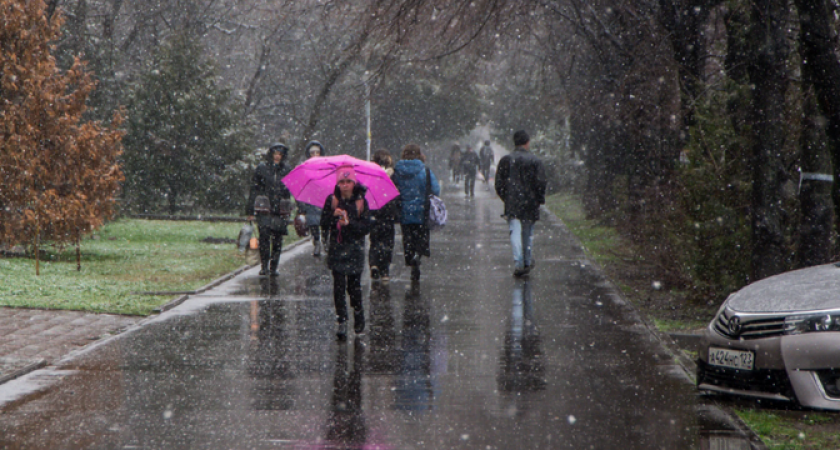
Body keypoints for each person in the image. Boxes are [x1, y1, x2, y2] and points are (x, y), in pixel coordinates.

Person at [321, 165, 371, 340]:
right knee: (339, 287)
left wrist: (350, 225)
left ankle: (359, 318)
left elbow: (365, 228)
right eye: (341, 181)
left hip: (355, 251)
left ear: (354, 182)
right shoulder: (332, 200)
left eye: (348, 181)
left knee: (354, 287)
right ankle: (341, 319)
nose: (345, 185)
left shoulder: (361, 202)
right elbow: (323, 224)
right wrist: (333, 216)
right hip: (337, 250)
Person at [495, 130, 546, 277]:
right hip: (530, 203)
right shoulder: (535, 161)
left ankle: (518, 262)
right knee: (527, 233)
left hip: (513, 203)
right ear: (527, 142)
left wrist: (507, 197)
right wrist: (538, 198)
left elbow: (499, 184)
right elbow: (541, 182)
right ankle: (527, 260)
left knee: (515, 232)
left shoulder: (506, 160)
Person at [392, 144, 440, 281]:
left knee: (408, 237)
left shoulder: (398, 170)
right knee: (421, 236)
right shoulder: (425, 171)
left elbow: (392, 190)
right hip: (422, 212)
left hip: (404, 211)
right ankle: (418, 254)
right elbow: (435, 190)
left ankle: (410, 256)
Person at [247, 143, 293, 277]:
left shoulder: (286, 170)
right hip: (264, 208)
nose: (277, 156)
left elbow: (292, 189)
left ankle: (274, 267)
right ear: (271, 154)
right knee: (264, 236)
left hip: (280, 209)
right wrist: (250, 210)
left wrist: (299, 209)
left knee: (277, 239)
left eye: (280, 154)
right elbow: (254, 188)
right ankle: (264, 266)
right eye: (275, 154)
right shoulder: (262, 168)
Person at [369, 149, 400, 282]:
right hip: (389, 212)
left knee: (374, 241)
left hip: (375, 211)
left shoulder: (370, 173)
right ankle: (385, 271)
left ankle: (374, 263)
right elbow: (398, 192)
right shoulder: (393, 174)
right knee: (388, 242)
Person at [296, 141, 327, 256]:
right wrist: (301, 206)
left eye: (317, 152)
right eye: (312, 152)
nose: (315, 154)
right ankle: (317, 242)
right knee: (313, 222)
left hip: (324, 198)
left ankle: (325, 240)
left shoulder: (326, 167)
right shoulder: (304, 168)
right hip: (310, 199)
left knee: (325, 222)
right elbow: (300, 187)